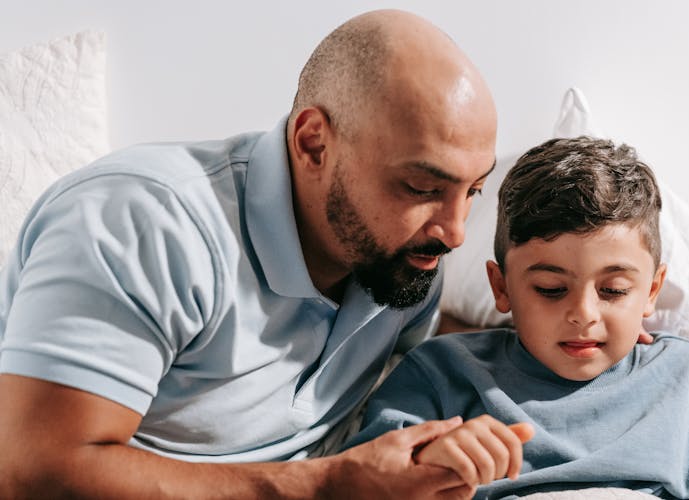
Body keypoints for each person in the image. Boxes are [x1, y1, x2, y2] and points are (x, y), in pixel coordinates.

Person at [0, 9, 499, 498]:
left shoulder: (402, 259)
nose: (455, 232)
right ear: (314, 143)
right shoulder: (141, 223)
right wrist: (330, 484)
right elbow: (35, 471)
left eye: (474, 189)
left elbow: (432, 356)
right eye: (420, 186)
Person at [348, 137, 689, 498]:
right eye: (551, 290)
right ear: (501, 287)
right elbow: (366, 479)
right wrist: (430, 464)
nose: (583, 315)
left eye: (614, 291)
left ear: (652, 291)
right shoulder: (441, 375)